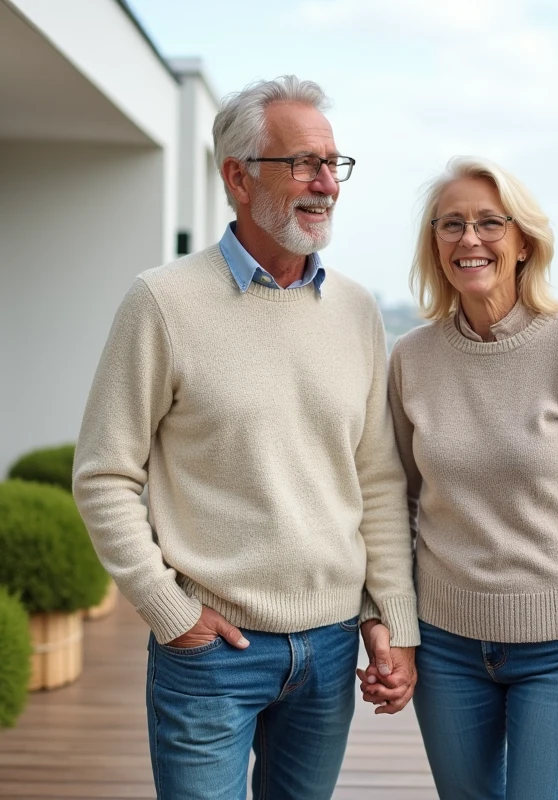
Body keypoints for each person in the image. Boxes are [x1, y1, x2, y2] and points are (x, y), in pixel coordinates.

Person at [73, 76, 419, 800]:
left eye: (334, 163)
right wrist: (168, 610)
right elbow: (105, 474)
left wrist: (390, 617)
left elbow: (378, 478)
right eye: (304, 163)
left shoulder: (356, 310)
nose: (326, 183)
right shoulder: (161, 302)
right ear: (237, 177)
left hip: (329, 649)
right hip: (211, 650)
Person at [361, 156, 558, 799]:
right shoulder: (410, 358)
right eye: (451, 224)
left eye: (490, 223)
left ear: (523, 243)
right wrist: (392, 626)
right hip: (446, 645)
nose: (470, 239)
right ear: (434, 245)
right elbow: (396, 504)